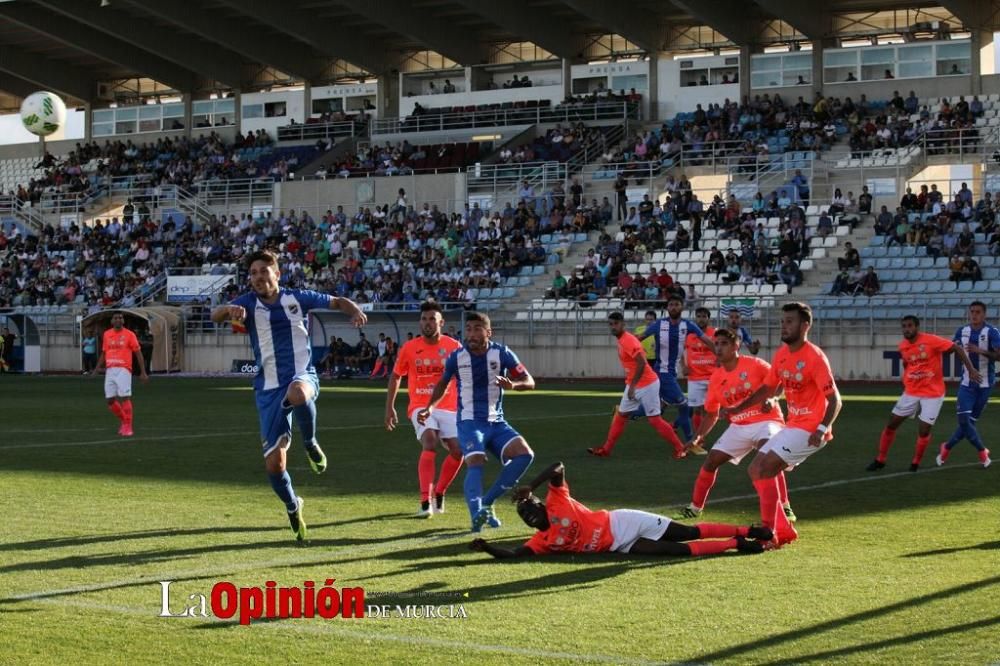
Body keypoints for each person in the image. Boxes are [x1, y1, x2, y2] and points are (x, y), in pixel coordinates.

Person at [211, 250, 367, 541]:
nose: (258, 277)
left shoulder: (298, 297)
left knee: (298, 392)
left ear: (277, 274)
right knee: (274, 465)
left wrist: (353, 310)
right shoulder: (246, 303)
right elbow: (215, 314)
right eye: (253, 273)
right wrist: (228, 311)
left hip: (302, 376)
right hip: (267, 389)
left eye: (263, 271)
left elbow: (337, 301)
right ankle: (294, 506)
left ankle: (310, 443)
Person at [724, 302, 842, 549]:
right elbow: (769, 387)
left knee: (766, 468)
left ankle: (770, 534)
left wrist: (822, 429)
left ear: (805, 325)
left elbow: (835, 400)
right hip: (793, 425)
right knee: (755, 469)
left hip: (810, 429)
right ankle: (783, 530)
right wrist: (740, 407)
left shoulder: (814, 357)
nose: (784, 326)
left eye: (790, 321)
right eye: (782, 321)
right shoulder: (782, 354)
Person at [470, 462, 771, 558]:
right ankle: (736, 544)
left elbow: (558, 467)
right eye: (526, 517)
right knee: (677, 552)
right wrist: (487, 548)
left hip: (624, 522)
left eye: (531, 508)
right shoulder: (541, 542)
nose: (531, 515)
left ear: (539, 503)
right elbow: (513, 556)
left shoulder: (557, 500)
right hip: (621, 545)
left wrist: (531, 486)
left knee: (687, 533)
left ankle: (748, 530)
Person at [418, 312, 536, 532]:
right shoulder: (456, 357)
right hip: (470, 422)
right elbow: (442, 384)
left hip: (497, 422)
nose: (471, 334)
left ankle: (487, 502)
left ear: (488, 332)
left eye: (477, 329)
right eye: (469, 329)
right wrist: (430, 408)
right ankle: (476, 518)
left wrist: (513, 385)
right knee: (476, 461)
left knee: (525, 454)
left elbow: (529, 381)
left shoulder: (501, 353)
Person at [681, 329, 792, 521]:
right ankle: (695, 507)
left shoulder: (755, 364)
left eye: (724, 343)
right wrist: (698, 437)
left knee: (769, 457)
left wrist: (773, 398)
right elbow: (711, 413)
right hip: (739, 426)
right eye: (716, 344)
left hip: (767, 421)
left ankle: (784, 506)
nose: (719, 347)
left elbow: (780, 380)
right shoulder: (716, 378)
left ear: (736, 346)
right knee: (711, 461)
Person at [867, 316, 979, 472]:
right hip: (911, 392)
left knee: (924, 429)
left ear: (917, 327)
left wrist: (971, 369)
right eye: (904, 326)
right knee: (891, 424)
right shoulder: (903, 346)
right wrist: (908, 379)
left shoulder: (931, 340)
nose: (907, 329)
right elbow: (907, 363)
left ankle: (915, 463)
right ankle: (880, 459)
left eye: (910, 326)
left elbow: (957, 348)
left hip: (933, 393)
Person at [385, 302, 464, 516]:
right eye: (424, 319)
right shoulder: (410, 348)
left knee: (459, 451)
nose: (427, 323)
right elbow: (396, 376)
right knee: (430, 441)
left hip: (449, 406)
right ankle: (424, 501)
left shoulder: (454, 347)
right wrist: (390, 407)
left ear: (441, 322)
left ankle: (439, 492)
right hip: (420, 405)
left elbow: (465, 376)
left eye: (432, 319)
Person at [587, 312, 686, 459]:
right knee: (621, 416)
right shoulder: (621, 340)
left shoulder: (628, 340)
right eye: (611, 324)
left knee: (655, 420)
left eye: (616, 324)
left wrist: (632, 386)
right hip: (634, 384)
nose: (613, 327)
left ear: (623, 324)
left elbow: (641, 362)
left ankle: (681, 448)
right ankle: (606, 449)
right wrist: (632, 385)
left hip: (648, 385)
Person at [637, 296, 717, 440]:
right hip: (662, 373)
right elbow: (639, 338)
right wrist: (628, 346)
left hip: (671, 374)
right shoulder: (658, 325)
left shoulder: (688, 325)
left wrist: (720, 356)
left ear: (682, 307)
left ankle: (625, 412)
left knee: (659, 407)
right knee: (685, 407)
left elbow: (707, 341)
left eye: (677, 304)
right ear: (667, 308)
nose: (674, 307)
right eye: (671, 304)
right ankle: (690, 441)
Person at [937, 301, 1000, 468]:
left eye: (978, 312)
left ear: (984, 314)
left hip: (985, 384)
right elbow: (951, 349)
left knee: (969, 422)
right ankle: (982, 451)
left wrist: (981, 351)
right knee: (964, 420)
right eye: (972, 311)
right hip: (966, 384)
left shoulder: (992, 332)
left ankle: (946, 447)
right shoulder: (962, 331)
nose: (974, 315)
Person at [94, 312, 149, 437]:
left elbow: (138, 353)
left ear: (123, 321)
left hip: (124, 369)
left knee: (125, 397)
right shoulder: (107, 334)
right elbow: (104, 353)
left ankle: (128, 426)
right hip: (110, 369)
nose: (118, 319)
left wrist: (143, 372)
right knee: (110, 400)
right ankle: (124, 421)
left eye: (120, 318)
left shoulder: (130, 335)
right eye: (116, 318)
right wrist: (97, 368)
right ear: (112, 321)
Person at [684, 307, 717, 435]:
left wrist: (720, 360)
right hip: (694, 377)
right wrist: (683, 365)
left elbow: (722, 348)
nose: (701, 319)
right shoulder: (689, 335)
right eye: (699, 316)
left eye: (704, 316)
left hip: (712, 376)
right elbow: (681, 350)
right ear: (695, 318)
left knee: (709, 409)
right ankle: (698, 438)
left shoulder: (715, 333)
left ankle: (701, 435)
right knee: (696, 409)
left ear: (708, 318)